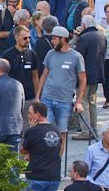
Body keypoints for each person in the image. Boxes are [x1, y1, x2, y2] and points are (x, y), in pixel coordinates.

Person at [37, 25, 87, 165]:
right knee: (46, 131)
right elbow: (44, 75)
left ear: (63, 39)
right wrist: (38, 96)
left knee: (61, 132)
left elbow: (83, 79)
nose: (52, 41)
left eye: (54, 38)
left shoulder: (76, 57)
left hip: (64, 101)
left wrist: (79, 101)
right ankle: (45, 161)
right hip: (47, 98)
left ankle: (56, 162)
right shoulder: (50, 54)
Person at [72, 13, 106, 141]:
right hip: (97, 74)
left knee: (83, 101)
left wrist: (76, 36)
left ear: (84, 25)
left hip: (84, 75)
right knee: (92, 102)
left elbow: (77, 55)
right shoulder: (101, 36)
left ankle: (86, 130)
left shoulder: (84, 37)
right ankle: (93, 129)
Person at [4, 25, 40, 101]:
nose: (28, 40)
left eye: (29, 37)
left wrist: (37, 96)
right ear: (16, 38)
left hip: (29, 97)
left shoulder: (32, 54)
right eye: (25, 38)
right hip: (13, 97)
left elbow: (35, 76)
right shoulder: (7, 55)